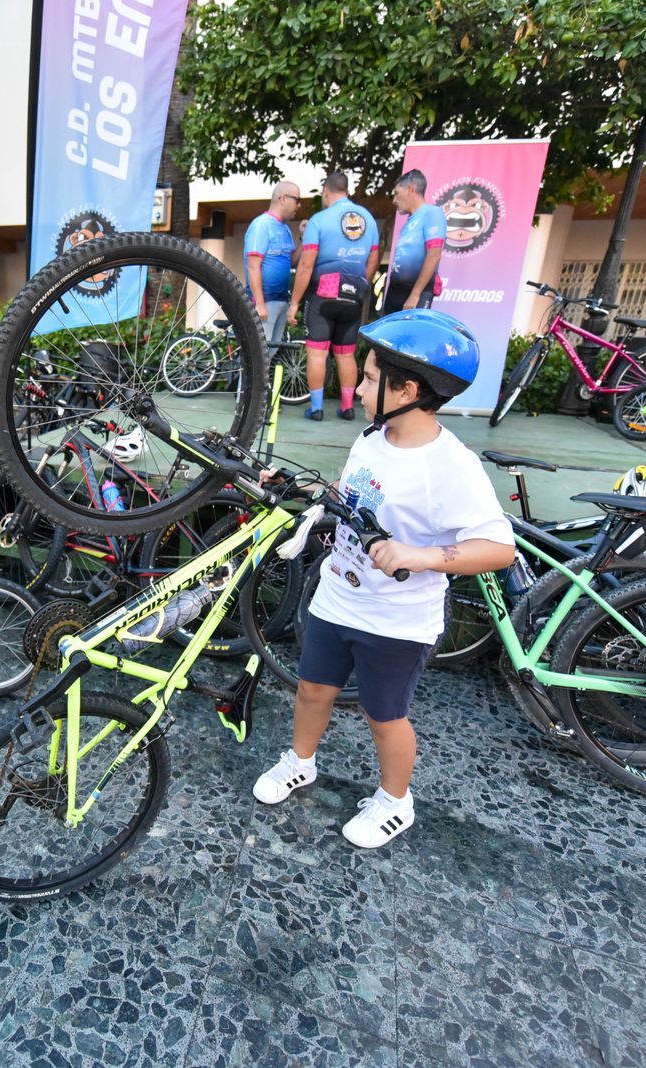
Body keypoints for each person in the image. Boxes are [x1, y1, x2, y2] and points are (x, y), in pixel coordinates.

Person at [252, 309, 514, 848]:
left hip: (397, 620)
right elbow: (353, 503)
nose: (361, 386)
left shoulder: (452, 466)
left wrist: (420, 555)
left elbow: (498, 549)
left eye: (370, 379)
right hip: (338, 597)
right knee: (312, 689)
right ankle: (301, 761)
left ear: (408, 389)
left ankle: (397, 801)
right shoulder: (371, 439)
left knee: (384, 715)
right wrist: (299, 487)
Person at [289, 172, 379, 421]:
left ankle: (317, 409)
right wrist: (362, 283)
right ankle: (348, 407)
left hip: (324, 291)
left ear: (326, 192)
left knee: (317, 353)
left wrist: (294, 302)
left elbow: (306, 264)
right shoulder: (368, 220)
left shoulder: (319, 220)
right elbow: (373, 257)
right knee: (346, 353)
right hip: (355, 292)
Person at [244, 181, 301, 346]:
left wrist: (304, 238)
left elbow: (292, 262)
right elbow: (253, 265)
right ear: (283, 199)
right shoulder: (262, 226)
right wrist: (259, 304)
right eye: (296, 200)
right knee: (259, 353)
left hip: (281, 300)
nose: (299, 205)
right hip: (265, 302)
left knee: (271, 351)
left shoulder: (285, 229)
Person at [383, 169, 447, 316]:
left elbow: (434, 255)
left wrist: (415, 294)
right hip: (395, 291)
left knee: (410, 338)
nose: (394, 201)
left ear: (410, 189)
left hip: (414, 293)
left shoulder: (432, 213)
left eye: (397, 193)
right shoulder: (409, 222)